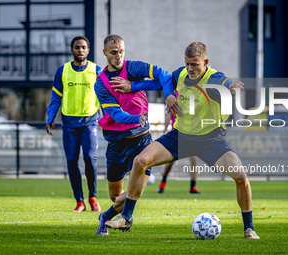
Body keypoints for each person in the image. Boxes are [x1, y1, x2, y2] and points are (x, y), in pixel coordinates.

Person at [105, 42, 260, 239]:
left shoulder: (213, 78)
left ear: (206, 62)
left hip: (210, 140)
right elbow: (159, 82)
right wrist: (134, 87)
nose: (190, 68)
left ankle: (249, 228)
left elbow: (223, 81)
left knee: (241, 177)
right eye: (187, 63)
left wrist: (231, 85)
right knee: (140, 161)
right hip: (180, 137)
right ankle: (126, 218)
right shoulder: (181, 74)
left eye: (195, 64)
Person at [94, 34, 178, 235]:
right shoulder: (101, 83)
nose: (118, 56)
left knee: (136, 192)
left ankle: (111, 217)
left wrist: (164, 94)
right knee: (116, 196)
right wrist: (135, 118)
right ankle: (108, 214)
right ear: (105, 53)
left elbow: (164, 77)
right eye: (114, 53)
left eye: (121, 51)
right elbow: (114, 113)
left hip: (142, 140)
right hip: (117, 143)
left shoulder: (133, 68)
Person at [46, 36, 102, 212]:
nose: (80, 50)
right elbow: (56, 97)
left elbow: (106, 97)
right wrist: (50, 118)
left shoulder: (97, 71)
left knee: (89, 159)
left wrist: (110, 118)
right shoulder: (62, 71)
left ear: (88, 50)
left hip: (90, 122)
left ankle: (92, 197)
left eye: (83, 47)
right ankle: (79, 201)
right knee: (71, 161)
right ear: (72, 50)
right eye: (77, 47)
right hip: (69, 124)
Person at [157, 104, 200, 194]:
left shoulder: (193, 96)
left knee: (193, 159)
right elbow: (168, 114)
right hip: (177, 134)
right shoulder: (174, 95)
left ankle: (193, 187)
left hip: (190, 134)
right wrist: (165, 130)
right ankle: (163, 181)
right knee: (171, 161)